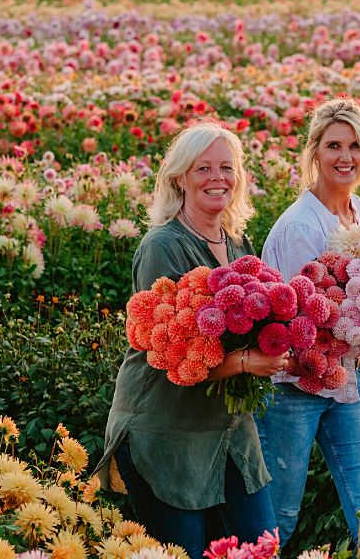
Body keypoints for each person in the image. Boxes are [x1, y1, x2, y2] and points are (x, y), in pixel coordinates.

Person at [93, 122, 287, 558]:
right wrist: (245, 363)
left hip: (228, 434)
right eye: (203, 168)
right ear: (179, 177)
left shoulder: (237, 243)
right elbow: (169, 355)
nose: (217, 178)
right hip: (166, 436)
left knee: (262, 548)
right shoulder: (162, 246)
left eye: (226, 167)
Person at [257, 98, 360, 557]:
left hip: (350, 378)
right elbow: (300, 325)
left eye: (355, 146)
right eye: (334, 145)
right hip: (294, 386)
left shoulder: (357, 209)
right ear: (314, 151)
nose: (345, 157)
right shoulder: (299, 227)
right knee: (279, 523)